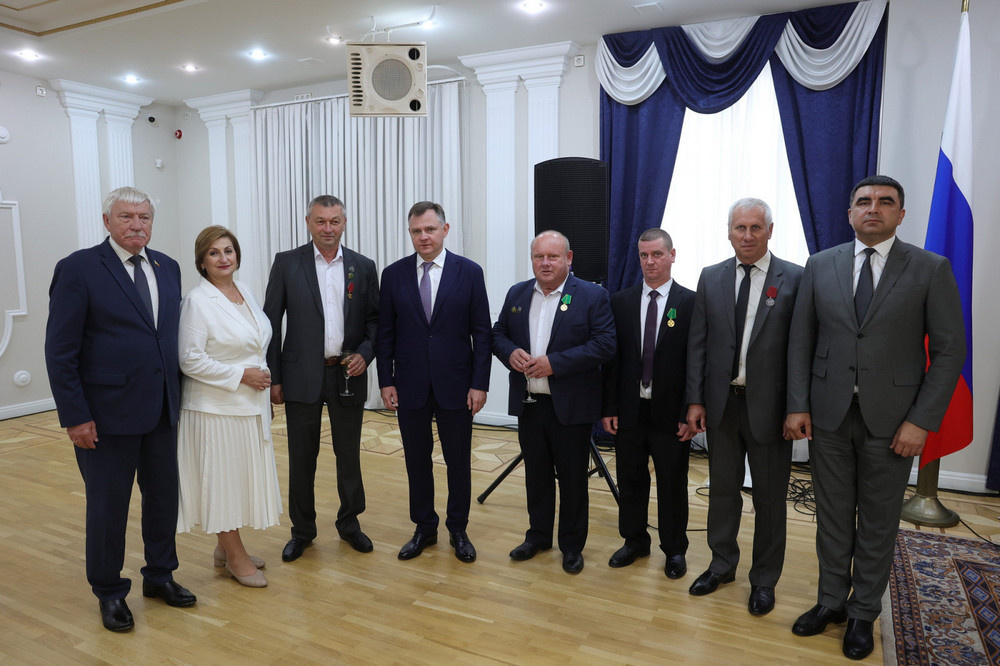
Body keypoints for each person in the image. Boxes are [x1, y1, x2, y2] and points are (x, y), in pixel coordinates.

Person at [784, 175, 966, 660]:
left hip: (895, 422)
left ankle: (863, 611)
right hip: (828, 416)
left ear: (900, 215)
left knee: (878, 522)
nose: (873, 208)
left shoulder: (929, 268)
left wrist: (921, 421)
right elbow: (801, 341)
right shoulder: (821, 264)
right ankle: (830, 602)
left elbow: (949, 351)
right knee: (831, 517)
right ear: (849, 213)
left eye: (886, 202)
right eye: (863, 201)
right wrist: (798, 404)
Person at [44, 186, 196, 633]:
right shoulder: (79, 268)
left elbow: (165, 337)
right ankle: (109, 591)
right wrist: (75, 415)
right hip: (105, 416)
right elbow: (60, 350)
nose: (136, 225)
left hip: (162, 409)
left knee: (163, 500)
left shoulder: (167, 266)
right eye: (127, 216)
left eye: (144, 217)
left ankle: (160, 575)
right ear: (107, 221)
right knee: (108, 507)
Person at [684, 199, 803, 616]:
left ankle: (764, 579)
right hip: (722, 406)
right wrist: (695, 400)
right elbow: (698, 344)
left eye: (756, 227)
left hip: (771, 410)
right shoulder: (711, 276)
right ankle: (721, 565)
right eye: (740, 227)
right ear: (729, 231)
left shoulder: (795, 278)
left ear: (770, 230)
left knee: (769, 498)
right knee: (722, 491)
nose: (747, 235)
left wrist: (797, 407)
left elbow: (800, 350)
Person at [263, 195, 379, 562]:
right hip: (299, 376)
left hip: (347, 374)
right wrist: (274, 377)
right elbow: (270, 322)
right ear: (308, 223)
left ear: (344, 223)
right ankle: (302, 531)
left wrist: (365, 354)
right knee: (302, 458)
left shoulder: (363, 266)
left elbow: (375, 322)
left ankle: (349, 523)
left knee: (349, 456)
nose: (328, 228)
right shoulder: (287, 263)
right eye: (320, 221)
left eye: (334, 221)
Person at [492, 231, 616, 574]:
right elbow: (498, 333)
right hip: (530, 404)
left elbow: (605, 344)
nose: (545, 263)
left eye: (553, 256)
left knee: (573, 480)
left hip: (571, 408)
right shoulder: (517, 293)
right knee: (536, 476)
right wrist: (509, 353)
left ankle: (572, 546)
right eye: (538, 257)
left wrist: (554, 364)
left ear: (568, 259)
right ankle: (538, 536)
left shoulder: (592, 295)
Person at [375, 201, 491, 563]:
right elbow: (385, 334)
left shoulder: (469, 272)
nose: (423, 237)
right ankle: (424, 527)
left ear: (445, 229)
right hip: (409, 385)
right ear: (410, 233)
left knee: (458, 461)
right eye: (416, 231)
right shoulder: (393, 275)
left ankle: (458, 529)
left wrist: (480, 383)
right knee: (416, 460)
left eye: (430, 229)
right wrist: (385, 380)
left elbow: (481, 333)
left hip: (457, 384)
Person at [177, 226, 282, 587]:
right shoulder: (197, 301)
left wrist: (260, 390)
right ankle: (236, 559)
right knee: (221, 483)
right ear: (201, 262)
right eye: (214, 253)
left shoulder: (245, 291)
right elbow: (189, 359)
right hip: (214, 408)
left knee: (236, 480)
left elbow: (256, 346)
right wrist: (241, 376)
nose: (223, 258)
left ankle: (224, 551)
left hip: (248, 405)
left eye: (228, 251)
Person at [602, 228, 695, 579]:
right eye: (644, 255)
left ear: (672, 255)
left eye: (657, 254)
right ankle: (634, 540)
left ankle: (674, 549)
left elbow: (695, 363)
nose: (650, 262)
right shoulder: (620, 301)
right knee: (630, 479)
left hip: (671, 414)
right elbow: (612, 361)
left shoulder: (690, 302)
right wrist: (609, 407)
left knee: (672, 483)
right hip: (630, 410)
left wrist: (690, 410)